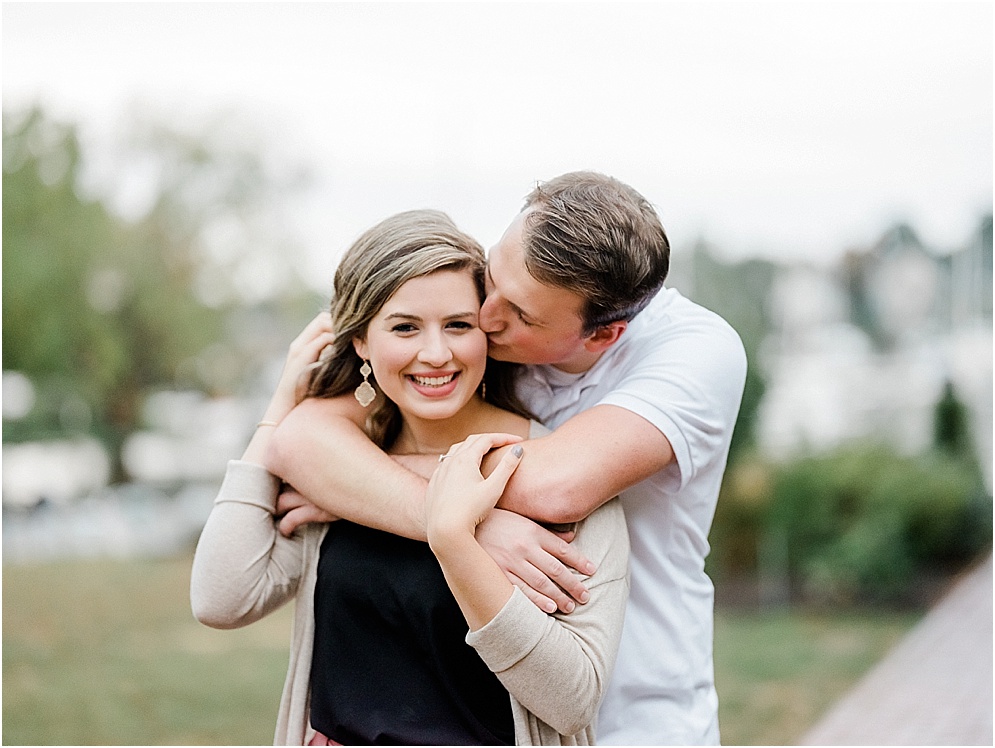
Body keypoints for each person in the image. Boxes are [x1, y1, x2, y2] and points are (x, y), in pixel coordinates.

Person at [266, 172, 748, 745]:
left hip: (640, 716)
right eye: (493, 274)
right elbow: (302, 440)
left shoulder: (695, 351)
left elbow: (554, 488)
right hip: (503, 711)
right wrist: (458, 520)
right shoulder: (478, 339)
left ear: (602, 337)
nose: (486, 314)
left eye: (521, 315)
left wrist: (363, 489)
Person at [190, 209, 630, 746]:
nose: (437, 353)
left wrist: (459, 541)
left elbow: (573, 700)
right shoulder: (333, 478)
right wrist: (283, 406)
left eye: (458, 326)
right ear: (360, 343)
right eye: (404, 327)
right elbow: (221, 598)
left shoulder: (560, 475)